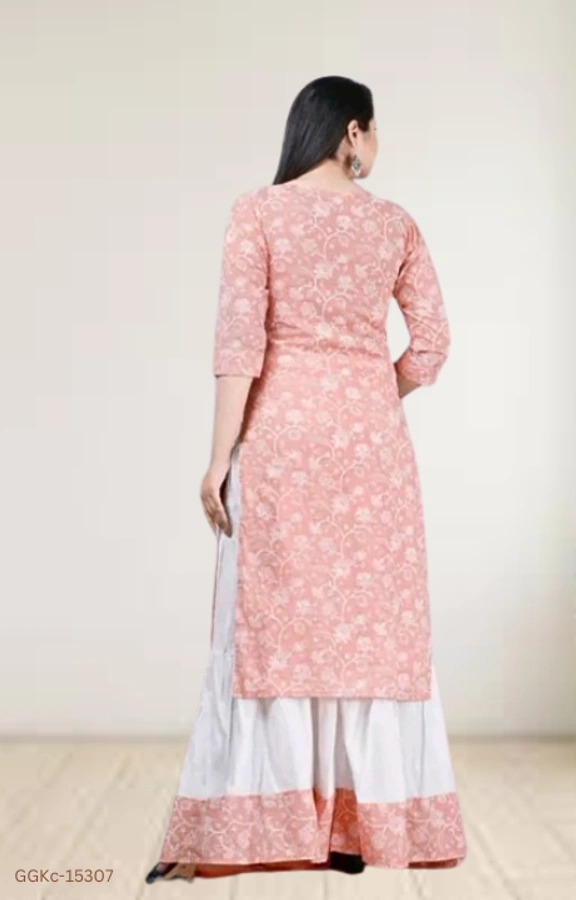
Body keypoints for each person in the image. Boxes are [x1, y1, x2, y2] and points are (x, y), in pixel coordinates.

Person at [145, 74, 467, 883]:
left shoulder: (257, 212)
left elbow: (238, 344)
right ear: (352, 131)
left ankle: (262, 826)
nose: (377, 146)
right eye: (375, 131)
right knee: (369, 628)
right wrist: (368, 391)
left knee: (270, 628)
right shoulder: (394, 224)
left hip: (280, 442)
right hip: (372, 449)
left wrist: (219, 456)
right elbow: (432, 342)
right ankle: (359, 827)